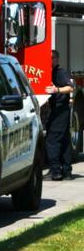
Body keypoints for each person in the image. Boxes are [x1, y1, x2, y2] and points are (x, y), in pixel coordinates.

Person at [45, 50, 74, 180]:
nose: (49, 60)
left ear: (56, 59)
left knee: (52, 140)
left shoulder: (60, 72)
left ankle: (55, 171)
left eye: (51, 58)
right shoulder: (51, 72)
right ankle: (67, 170)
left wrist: (56, 90)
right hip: (57, 110)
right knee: (64, 140)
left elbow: (70, 87)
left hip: (60, 110)